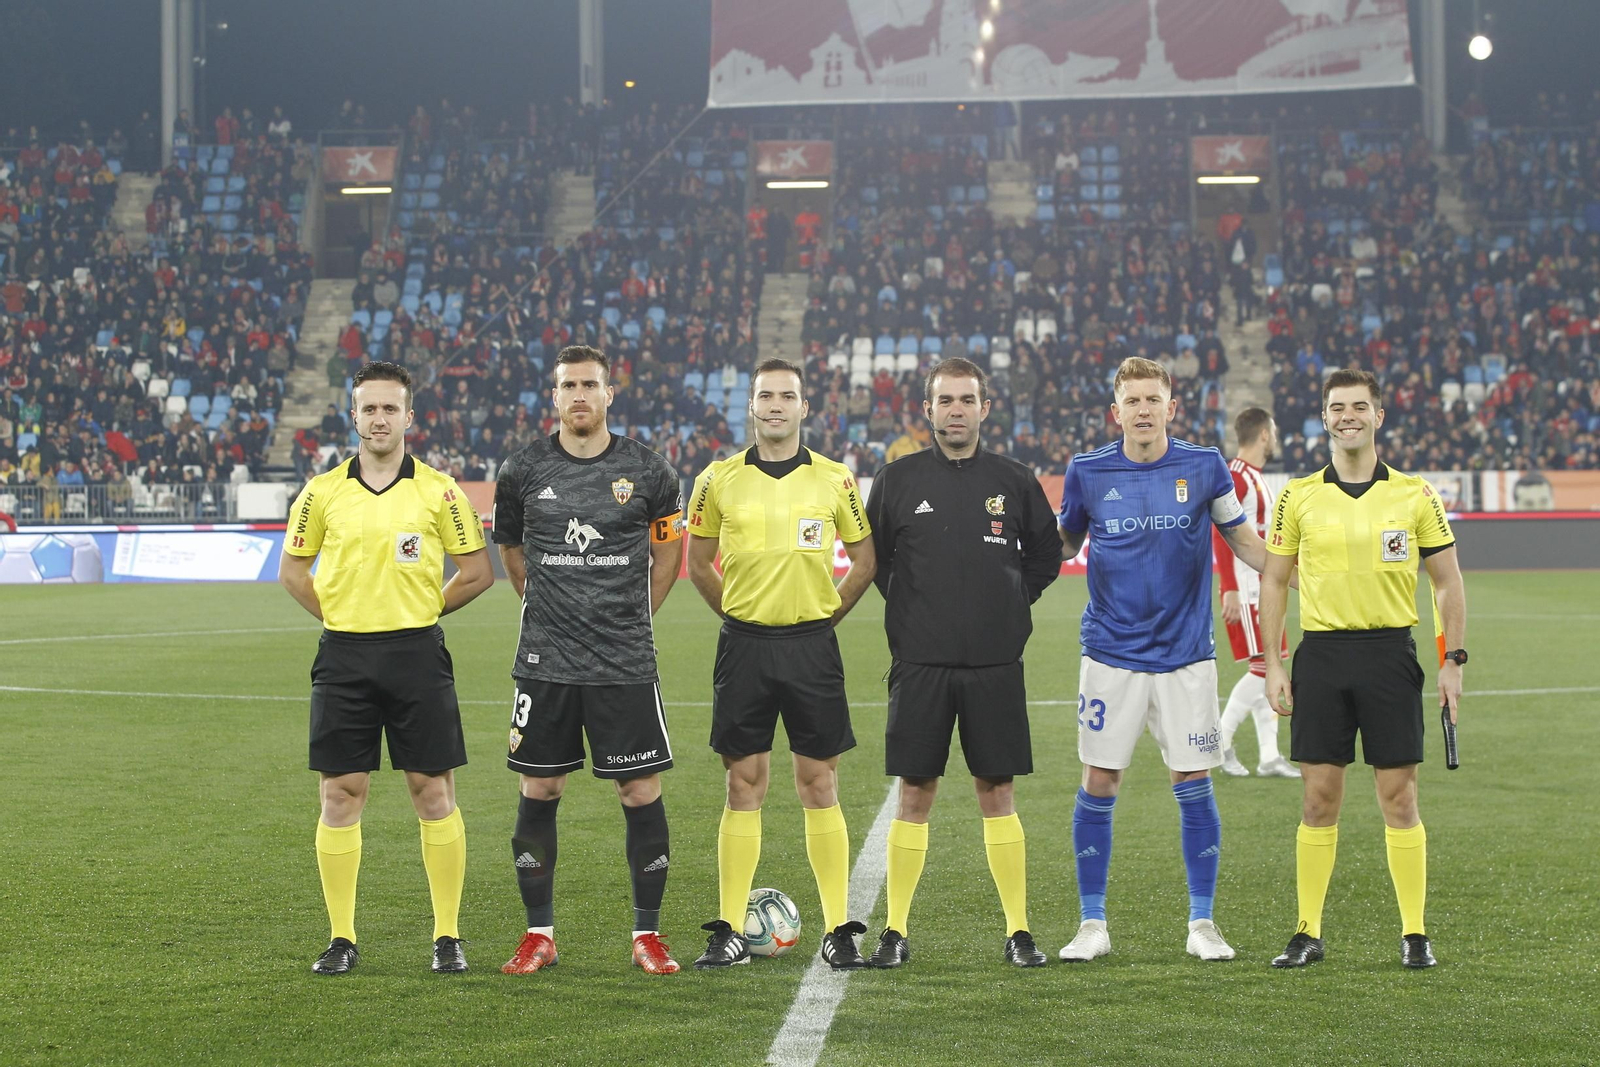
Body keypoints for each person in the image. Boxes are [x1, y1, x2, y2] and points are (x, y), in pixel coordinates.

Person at [1056, 356, 1277, 964]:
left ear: (1171, 408)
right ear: (1116, 411)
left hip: (1186, 658)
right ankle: (1092, 923)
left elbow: (1244, 542)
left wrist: (1305, 566)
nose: (1143, 410)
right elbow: (1064, 544)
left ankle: (1202, 923)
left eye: (1153, 399)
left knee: (1193, 780)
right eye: (1132, 401)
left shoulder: (1204, 467)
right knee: (1100, 779)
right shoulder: (1087, 471)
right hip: (1111, 655)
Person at [279, 360, 495, 977]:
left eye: (390, 408)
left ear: (409, 417)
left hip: (417, 656)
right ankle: (341, 937)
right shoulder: (321, 492)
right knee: (340, 793)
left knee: (433, 791)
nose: (379, 418)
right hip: (343, 658)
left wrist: (423, 609)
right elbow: (293, 571)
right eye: (369, 408)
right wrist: (340, 616)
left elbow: (476, 572)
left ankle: (447, 935)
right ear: (354, 416)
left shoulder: (441, 491)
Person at [1260, 369, 1466, 970]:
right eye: (1336, 407)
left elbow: (1447, 582)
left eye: (1358, 406)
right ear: (1324, 417)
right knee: (1318, 799)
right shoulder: (1297, 496)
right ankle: (1307, 931)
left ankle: (1415, 933)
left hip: (1389, 655)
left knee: (1399, 797)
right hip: (1321, 656)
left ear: (1379, 415)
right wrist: (1273, 662)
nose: (1346, 416)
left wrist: (1452, 660)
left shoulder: (1415, 494)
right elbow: (1273, 580)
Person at [491, 345, 686, 977]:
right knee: (539, 788)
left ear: (609, 393)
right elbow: (511, 549)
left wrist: (634, 615)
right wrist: (546, 607)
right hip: (544, 661)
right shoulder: (522, 469)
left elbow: (668, 554)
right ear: (555, 396)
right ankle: (538, 934)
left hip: (624, 662)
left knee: (640, 789)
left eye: (590, 385)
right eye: (568, 385)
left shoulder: (648, 469)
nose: (579, 395)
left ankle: (648, 935)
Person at [863, 357, 1062, 970]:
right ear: (927, 410)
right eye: (945, 400)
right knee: (915, 792)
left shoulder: (1015, 479)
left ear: (985, 408)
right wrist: (912, 606)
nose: (956, 410)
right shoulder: (896, 480)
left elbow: (1046, 556)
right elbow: (877, 561)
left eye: (966, 400)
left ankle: (1018, 931)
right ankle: (894, 930)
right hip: (920, 663)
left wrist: (1011, 602)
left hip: (994, 664)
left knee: (997, 791)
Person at [685, 357, 877, 970]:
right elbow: (697, 562)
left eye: (786, 396)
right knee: (743, 783)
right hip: (744, 645)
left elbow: (866, 560)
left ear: (803, 407)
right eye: (765, 395)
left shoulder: (836, 479)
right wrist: (737, 615)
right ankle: (728, 929)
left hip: (812, 646)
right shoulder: (716, 479)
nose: (775, 405)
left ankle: (839, 928)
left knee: (818, 782)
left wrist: (826, 617)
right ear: (751, 405)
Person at [1213, 407, 1298, 779]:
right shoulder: (1236, 476)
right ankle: (1220, 741)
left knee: (1269, 667)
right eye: (1273, 431)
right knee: (1264, 668)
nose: (1275, 438)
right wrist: (1229, 588)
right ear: (1264, 434)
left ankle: (1269, 756)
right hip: (1247, 588)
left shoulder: (1254, 477)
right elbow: (1220, 531)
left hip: (1263, 588)